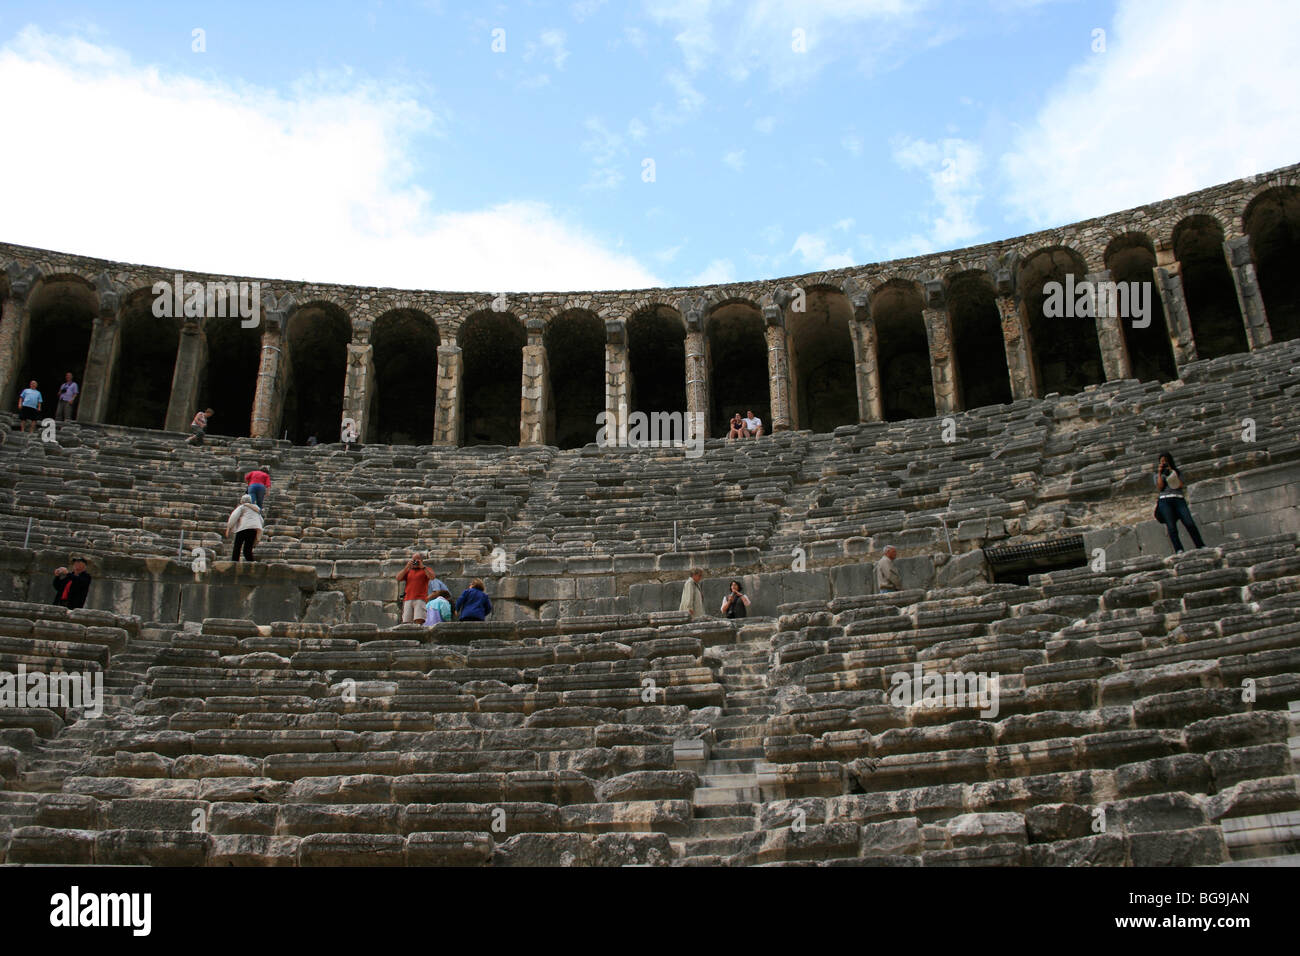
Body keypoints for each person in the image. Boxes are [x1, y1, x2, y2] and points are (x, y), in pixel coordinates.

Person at [1154, 450, 1205, 553]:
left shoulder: (1177, 472)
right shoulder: (1156, 475)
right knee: (1171, 526)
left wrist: (1172, 473)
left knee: (1189, 523)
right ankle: (1179, 549)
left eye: (1165, 461)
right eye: (1161, 461)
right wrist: (1160, 473)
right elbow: (1160, 487)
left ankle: (1200, 545)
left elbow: (1180, 485)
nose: (1164, 463)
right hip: (1165, 500)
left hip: (1178, 498)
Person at [225, 494, 264, 562]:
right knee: (248, 549)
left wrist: (229, 527)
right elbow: (261, 520)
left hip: (243, 528)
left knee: (237, 546)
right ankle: (250, 562)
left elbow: (234, 516)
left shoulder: (242, 507)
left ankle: (235, 561)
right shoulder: (256, 509)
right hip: (253, 529)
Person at [396, 553, 431, 623]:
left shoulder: (426, 569)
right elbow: (398, 578)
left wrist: (423, 567)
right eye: (414, 559)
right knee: (406, 621)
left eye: (417, 559)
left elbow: (432, 577)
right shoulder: (409, 570)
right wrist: (407, 567)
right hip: (408, 599)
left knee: (419, 620)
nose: (415, 561)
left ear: (421, 560)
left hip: (420, 599)